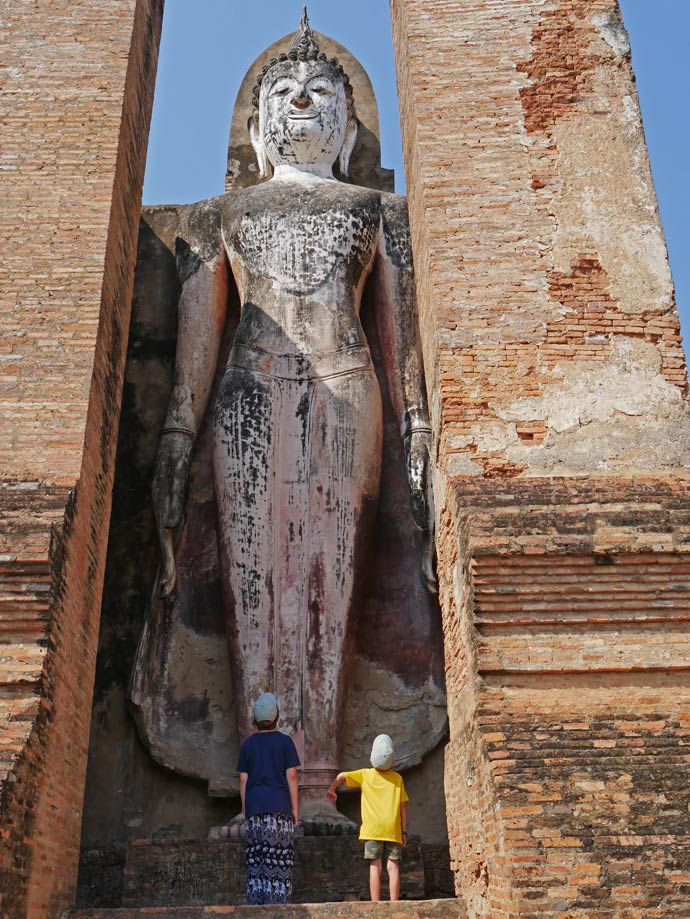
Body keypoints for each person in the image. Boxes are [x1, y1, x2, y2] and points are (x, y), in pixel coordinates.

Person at [152, 9, 434, 821]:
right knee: (256, 583)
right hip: (245, 397)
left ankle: (319, 785)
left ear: (347, 126)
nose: (303, 99)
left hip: (349, 392)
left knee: (326, 580)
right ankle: (262, 794)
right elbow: (199, 347)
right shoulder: (224, 217)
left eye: (321, 91)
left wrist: (415, 422)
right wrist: (177, 430)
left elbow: (397, 337)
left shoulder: (370, 213)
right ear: (259, 121)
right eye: (286, 89)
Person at [326, 734, 409, 901]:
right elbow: (403, 807)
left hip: (372, 830)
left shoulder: (365, 775)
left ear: (372, 757)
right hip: (393, 829)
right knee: (393, 866)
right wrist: (404, 832)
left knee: (374, 866)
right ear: (392, 759)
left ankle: (375, 904)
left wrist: (331, 789)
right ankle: (395, 903)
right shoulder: (397, 779)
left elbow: (341, 776)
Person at [236, 692, 301, 905]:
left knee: (257, 864)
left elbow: (243, 781)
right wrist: (295, 810)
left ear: (254, 720)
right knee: (279, 863)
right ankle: (279, 908)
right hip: (279, 808)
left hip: (255, 809)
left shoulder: (247, 745)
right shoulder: (285, 742)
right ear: (277, 717)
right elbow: (291, 776)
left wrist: (246, 810)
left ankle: (256, 908)